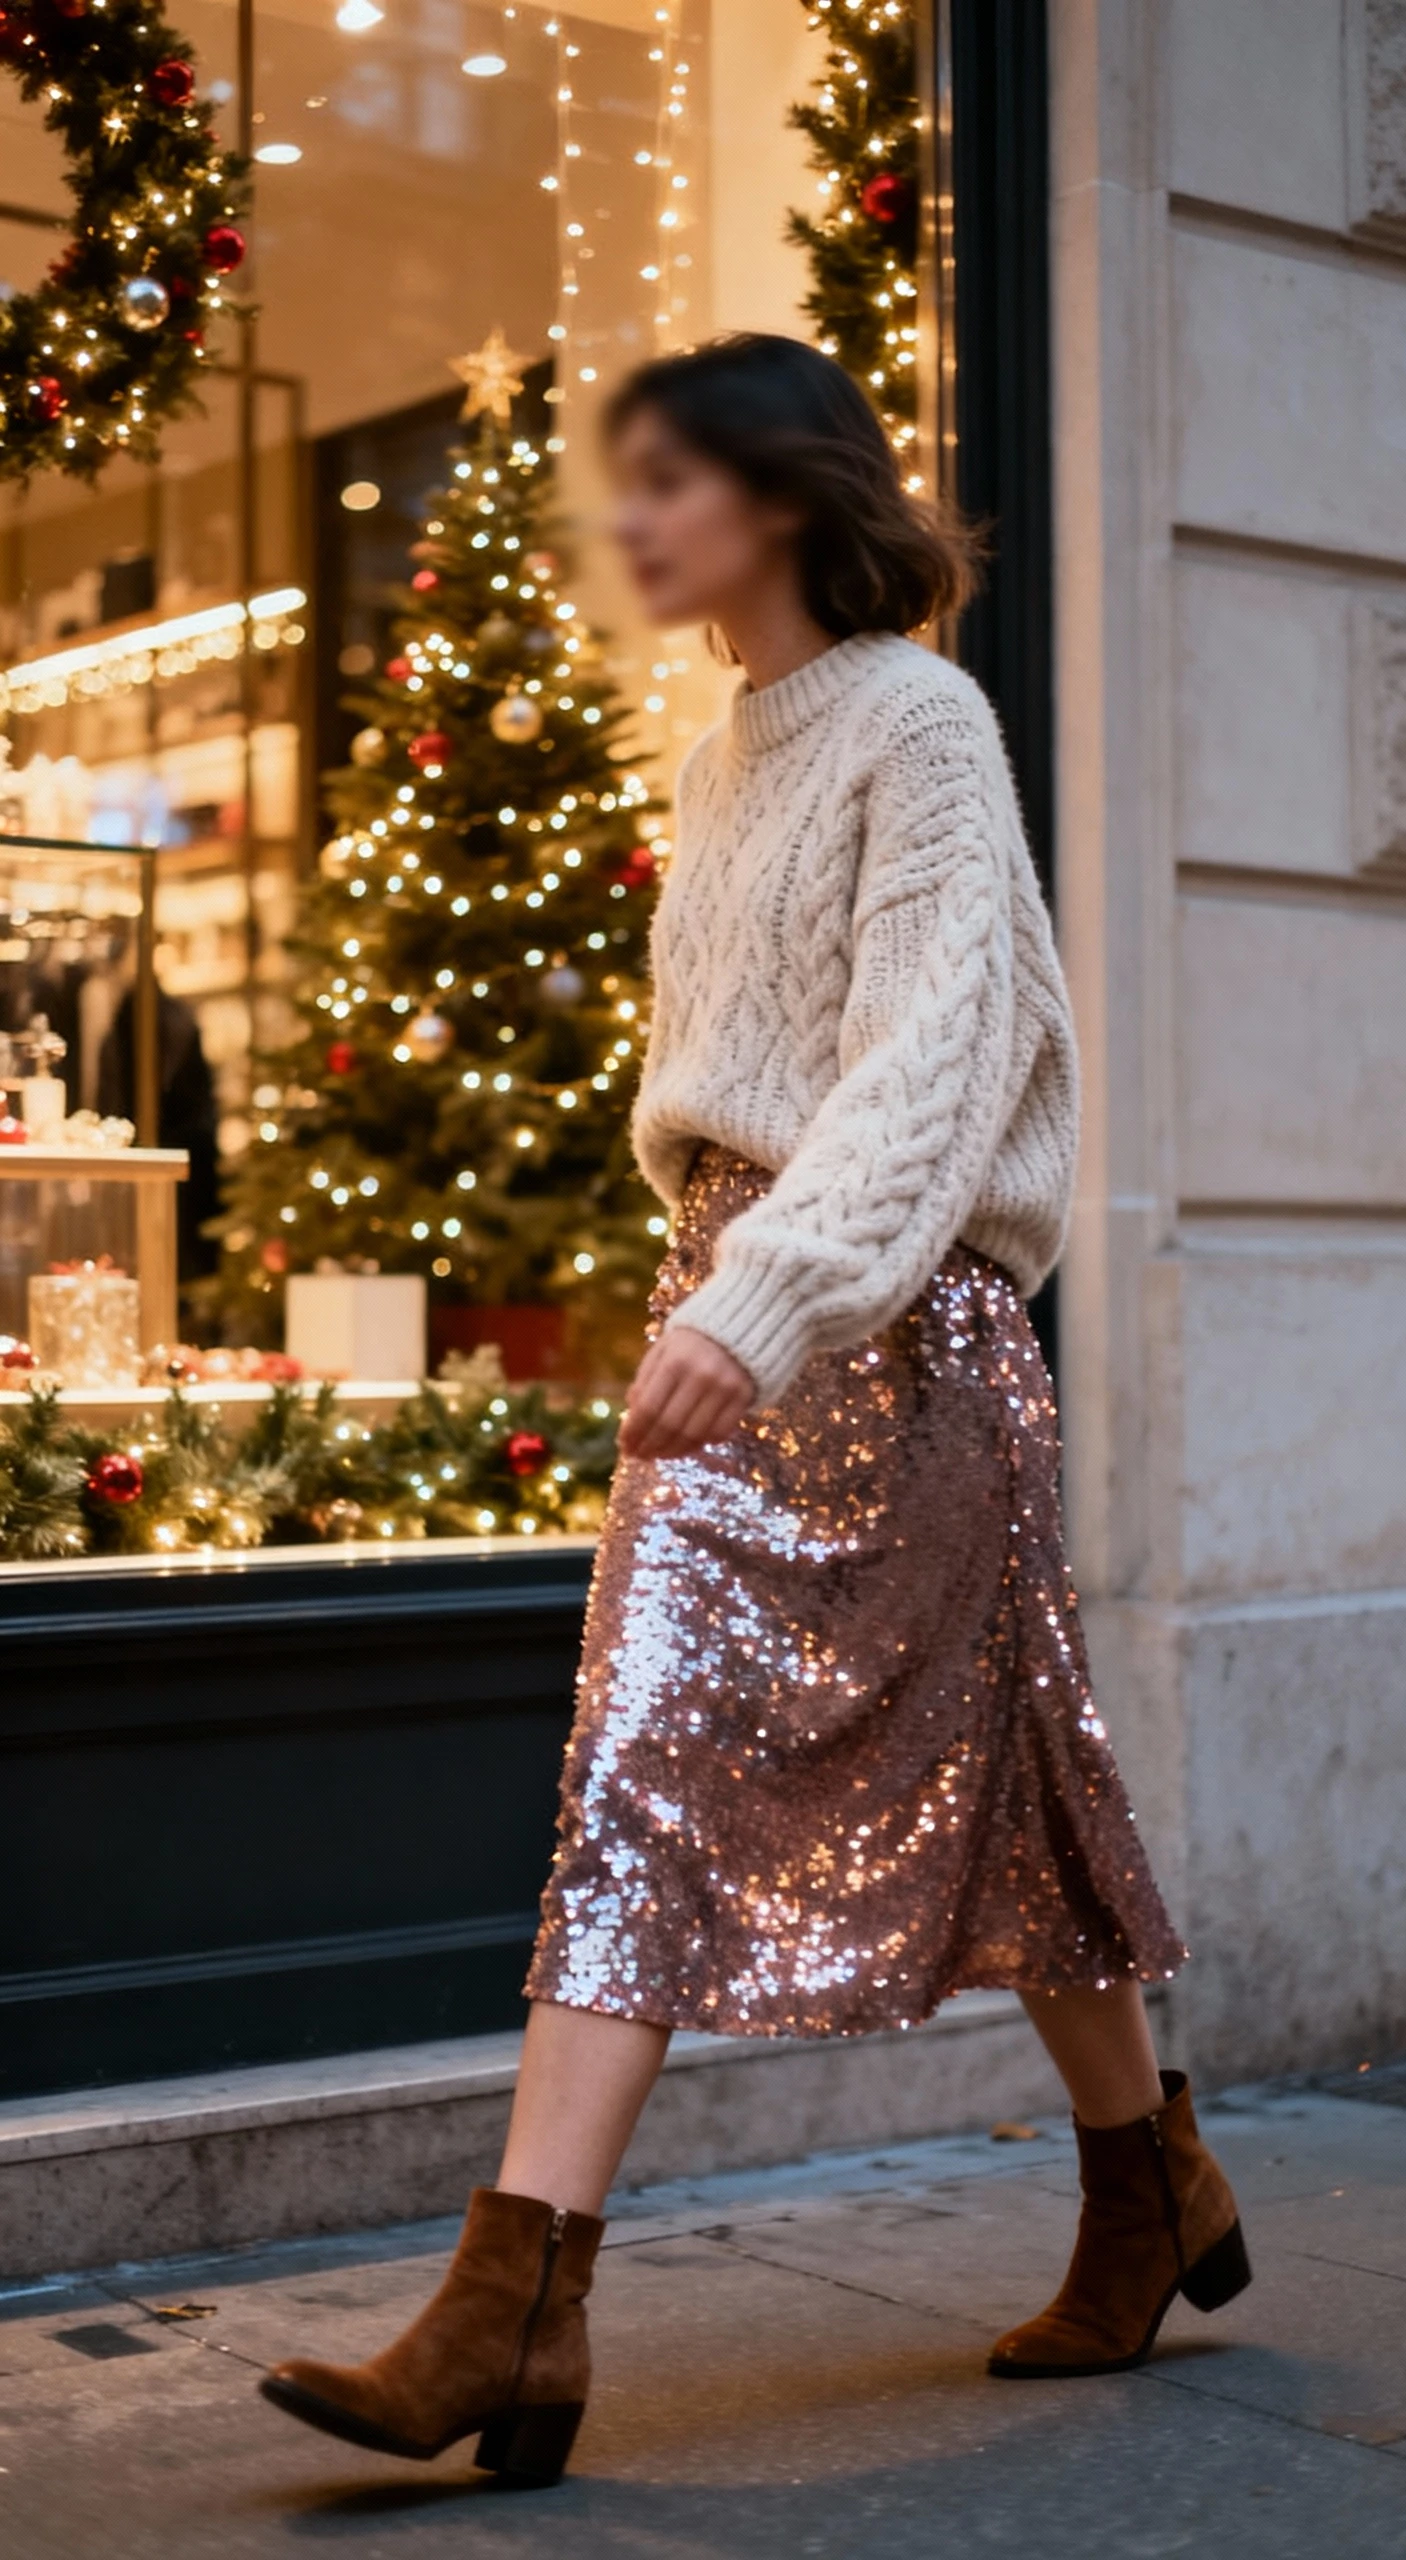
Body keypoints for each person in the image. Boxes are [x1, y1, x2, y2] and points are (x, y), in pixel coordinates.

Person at [260, 333, 1250, 2485]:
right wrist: (720, 1275)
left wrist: (775, 1287)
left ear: (784, 495)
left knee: (985, 1786)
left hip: (881, 1331)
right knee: (662, 1752)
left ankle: (1121, 2192)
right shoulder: (721, 753)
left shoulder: (924, 717)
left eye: (667, 484)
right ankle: (537, 2294)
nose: (628, 524)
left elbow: (932, 1054)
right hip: (744, 1302)